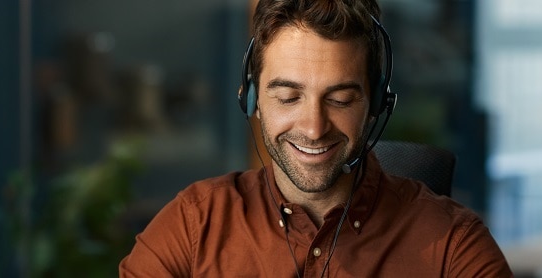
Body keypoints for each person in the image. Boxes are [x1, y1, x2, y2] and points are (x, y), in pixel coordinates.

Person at [119, 0, 512, 276]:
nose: (313, 127)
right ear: (252, 99)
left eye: (339, 99)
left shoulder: (451, 245)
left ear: (374, 103)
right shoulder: (194, 226)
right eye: (288, 97)